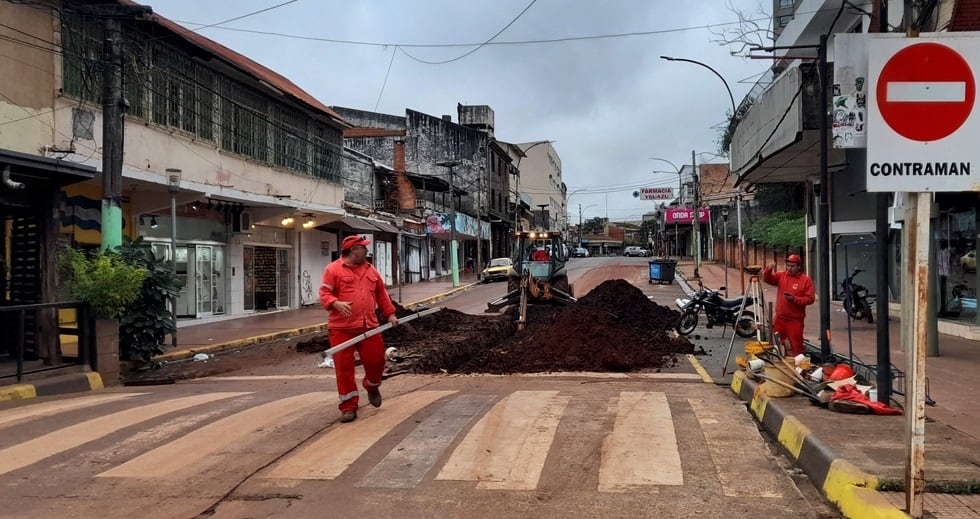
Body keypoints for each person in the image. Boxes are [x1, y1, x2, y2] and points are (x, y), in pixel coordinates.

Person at [319, 235, 398, 423]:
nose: (366, 250)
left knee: (376, 362)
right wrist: (335, 303)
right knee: (344, 369)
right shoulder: (333, 270)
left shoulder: (370, 270)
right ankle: (348, 407)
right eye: (363, 247)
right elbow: (324, 293)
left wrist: (390, 314)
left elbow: (381, 294)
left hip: (369, 326)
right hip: (341, 329)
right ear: (354, 249)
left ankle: (372, 386)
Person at [763, 254, 815, 356]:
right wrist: (768, 270)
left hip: (795, 321)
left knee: (796, 346)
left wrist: (794, 299)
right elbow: (768, 279)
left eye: (792, 266)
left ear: (799, 266)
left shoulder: (806, 280)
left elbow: (810, 299)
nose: (789, 268)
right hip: (779, 319)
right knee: (778, 345)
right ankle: (782, 364)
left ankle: (798, 368)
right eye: (788, 265)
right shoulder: (782, 275)